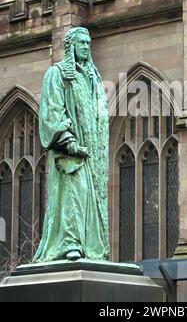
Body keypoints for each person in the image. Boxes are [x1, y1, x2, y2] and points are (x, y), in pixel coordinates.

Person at [33, 27, 109, 262]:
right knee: (74, 196)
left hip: (92, 155)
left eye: (88, 43)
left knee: (90, 201)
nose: (86, 47)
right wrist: (68, 141)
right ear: (71, 47)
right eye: (82, 43)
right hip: (70, 155)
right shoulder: (57, 74)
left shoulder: (93, 77)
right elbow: (52, 112)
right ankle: (69, 244)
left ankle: (89, 246)